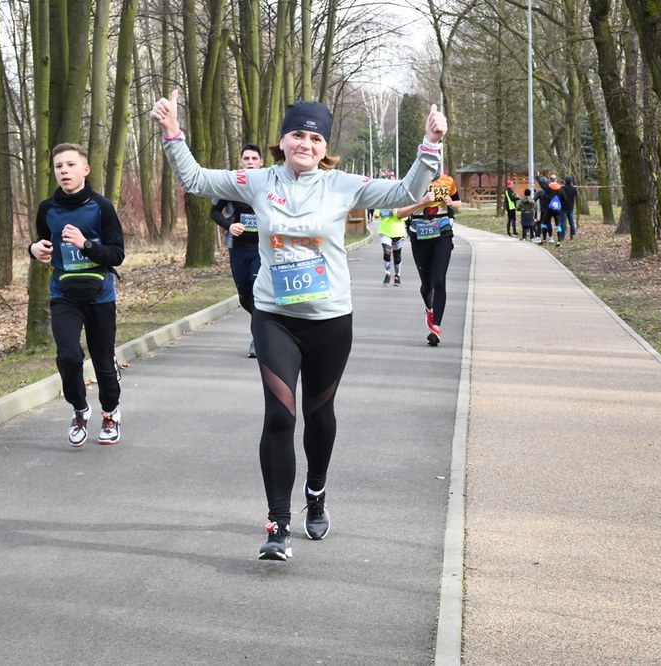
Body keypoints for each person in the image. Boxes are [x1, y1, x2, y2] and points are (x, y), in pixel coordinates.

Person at [151, 90, 447, 561]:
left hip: (330, 320)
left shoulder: (342, 185)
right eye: (297, 135)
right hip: (275, 317)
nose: (305, 144)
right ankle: (278, 525)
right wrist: (172, 133)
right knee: (279, 416)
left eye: (315, 138)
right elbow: (196, 179)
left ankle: (316, 490)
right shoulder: (257, 181)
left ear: (324, 147)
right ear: (283, 141)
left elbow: (406, 193)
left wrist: (430, 144)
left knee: (319, 415)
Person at [29, 143, 125, 447]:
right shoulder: (47, 209)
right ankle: (80, 410)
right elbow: (42, 241)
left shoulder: (102, 207)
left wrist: (86, 244)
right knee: (68, 356)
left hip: (100, 295)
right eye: (59, 166)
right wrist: (34, 249)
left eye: (70, 165)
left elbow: (117, 254)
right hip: (64, 293)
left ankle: (110, 412)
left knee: (103, 362)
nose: (64, 171)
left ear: (85, 169)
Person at [397, 168, 462, 347]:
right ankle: (429, 308)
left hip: (442, 234)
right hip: (420, 236)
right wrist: (422, 202)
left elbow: (458, 204)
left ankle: (436, 328)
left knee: (439, 280)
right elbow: (400, 213)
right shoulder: (412, 183)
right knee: (427, 284)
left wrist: (451, 203)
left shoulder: (448, 181)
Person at [211, 143, 264, 357]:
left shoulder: (269, 185)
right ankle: (263, 323)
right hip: (238, 250)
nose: (250, 162)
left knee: (258, 292)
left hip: (262, 250)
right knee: (245, 296)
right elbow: (215, 212)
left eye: (254, 159)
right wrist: (229, 226)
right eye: (246, 159)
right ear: (241, 162)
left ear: (261, 162)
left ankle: (258, 339)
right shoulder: (232, 186)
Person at [377, 206, 406, 286]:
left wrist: (394, 211)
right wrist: (377, 214)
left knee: (397, 256)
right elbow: (376, 214)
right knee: (387, 252)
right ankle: (387, 274)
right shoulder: (382, 203)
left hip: (398, 232)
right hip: (384, 232)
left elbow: (405, 217)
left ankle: (397, 275)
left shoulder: (401, 203)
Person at [560, 175, 578, 240]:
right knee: (571, 221)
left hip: (563, 207)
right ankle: (572, 234)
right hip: (571, 207)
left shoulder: (562, 188)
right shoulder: (574, 189)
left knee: (563, 222)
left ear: (565, 181)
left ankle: (562, 236)